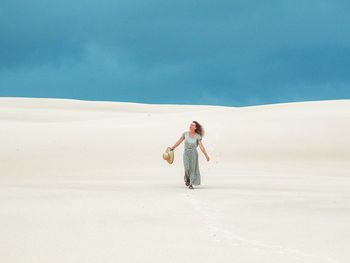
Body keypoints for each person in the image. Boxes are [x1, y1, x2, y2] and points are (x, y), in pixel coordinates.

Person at [170, 121, 210, 189]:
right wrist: (173, 147)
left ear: (195, 127)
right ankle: (187, 179)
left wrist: (206, 155)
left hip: (194, 154)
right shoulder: (185, 134)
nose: (190, 126)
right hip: (186, 153)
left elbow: (201, 146)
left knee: (193, 168)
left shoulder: (198, 136)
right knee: (187, 167)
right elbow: (179, 141)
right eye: (190, 125)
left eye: (192, 125)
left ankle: (191, 183)